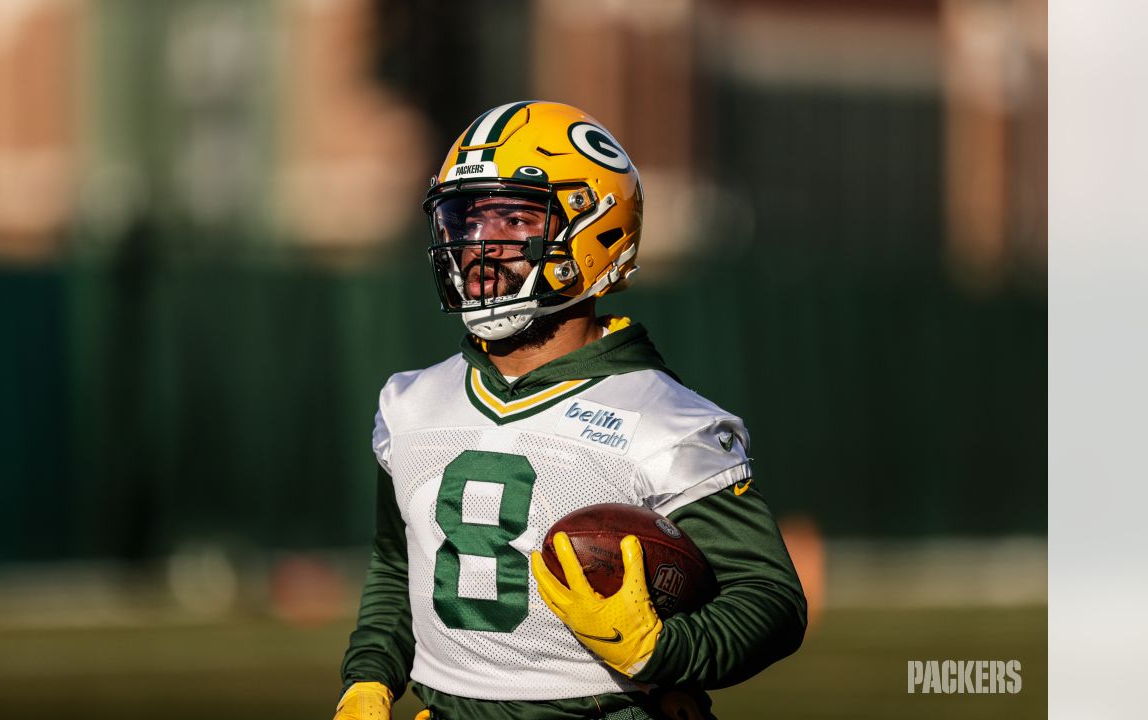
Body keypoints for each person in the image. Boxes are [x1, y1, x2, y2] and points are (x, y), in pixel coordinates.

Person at [334, 101, 806, 720]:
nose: (480, 245)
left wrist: (661, 651)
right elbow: (399, 566)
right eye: (464, 218)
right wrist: (369, 679)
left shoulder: (668, 423)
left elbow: (770, 599)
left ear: (595, 228)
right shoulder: (410, 403)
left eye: (513, 219)